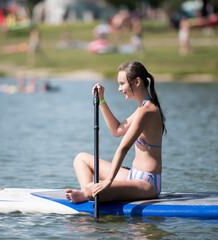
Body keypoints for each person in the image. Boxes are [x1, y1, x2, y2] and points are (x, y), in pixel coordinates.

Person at [65, 61, 166, 203]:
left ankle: (88, 193)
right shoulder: (141, 109)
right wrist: (101, 100)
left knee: (93, 191)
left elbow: (123, 148)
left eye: (122, 83)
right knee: (80, 158)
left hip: (147, 183)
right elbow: (117, 130)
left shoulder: (147, 111)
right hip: (132, 175)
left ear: (137, 82)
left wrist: (108, 181)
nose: (119, 89)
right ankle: (87, 193)